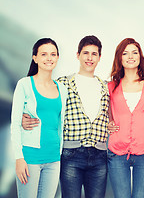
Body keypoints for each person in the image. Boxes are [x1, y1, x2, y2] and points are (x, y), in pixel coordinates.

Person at [22, 36, 109, 198]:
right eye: (85, 53)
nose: (90, 58)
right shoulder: (63, 84)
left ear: (99, 57)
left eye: (94, 54)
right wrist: (23, 117)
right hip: (71, 154)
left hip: (99, 156)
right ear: (78, 55)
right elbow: (45, 106)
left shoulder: (106, 87)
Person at [11, 38, 68, 198]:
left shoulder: (62, 89)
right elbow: (15, 124)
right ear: (35, 58)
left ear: (57, 58)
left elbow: (59, 123)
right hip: (30, 157)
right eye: (43, 54)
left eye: (53, 54)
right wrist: (19, 158)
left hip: (54, 158)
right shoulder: (24, 84)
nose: (49, 58)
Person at [107, 38, 144, 198]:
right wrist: (108, 124)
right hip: (116, 152)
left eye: (134, 52)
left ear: (140, 57)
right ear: (119, 58)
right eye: (125, 53)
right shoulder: (111, 86)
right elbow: (106, 114)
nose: (130, 56)